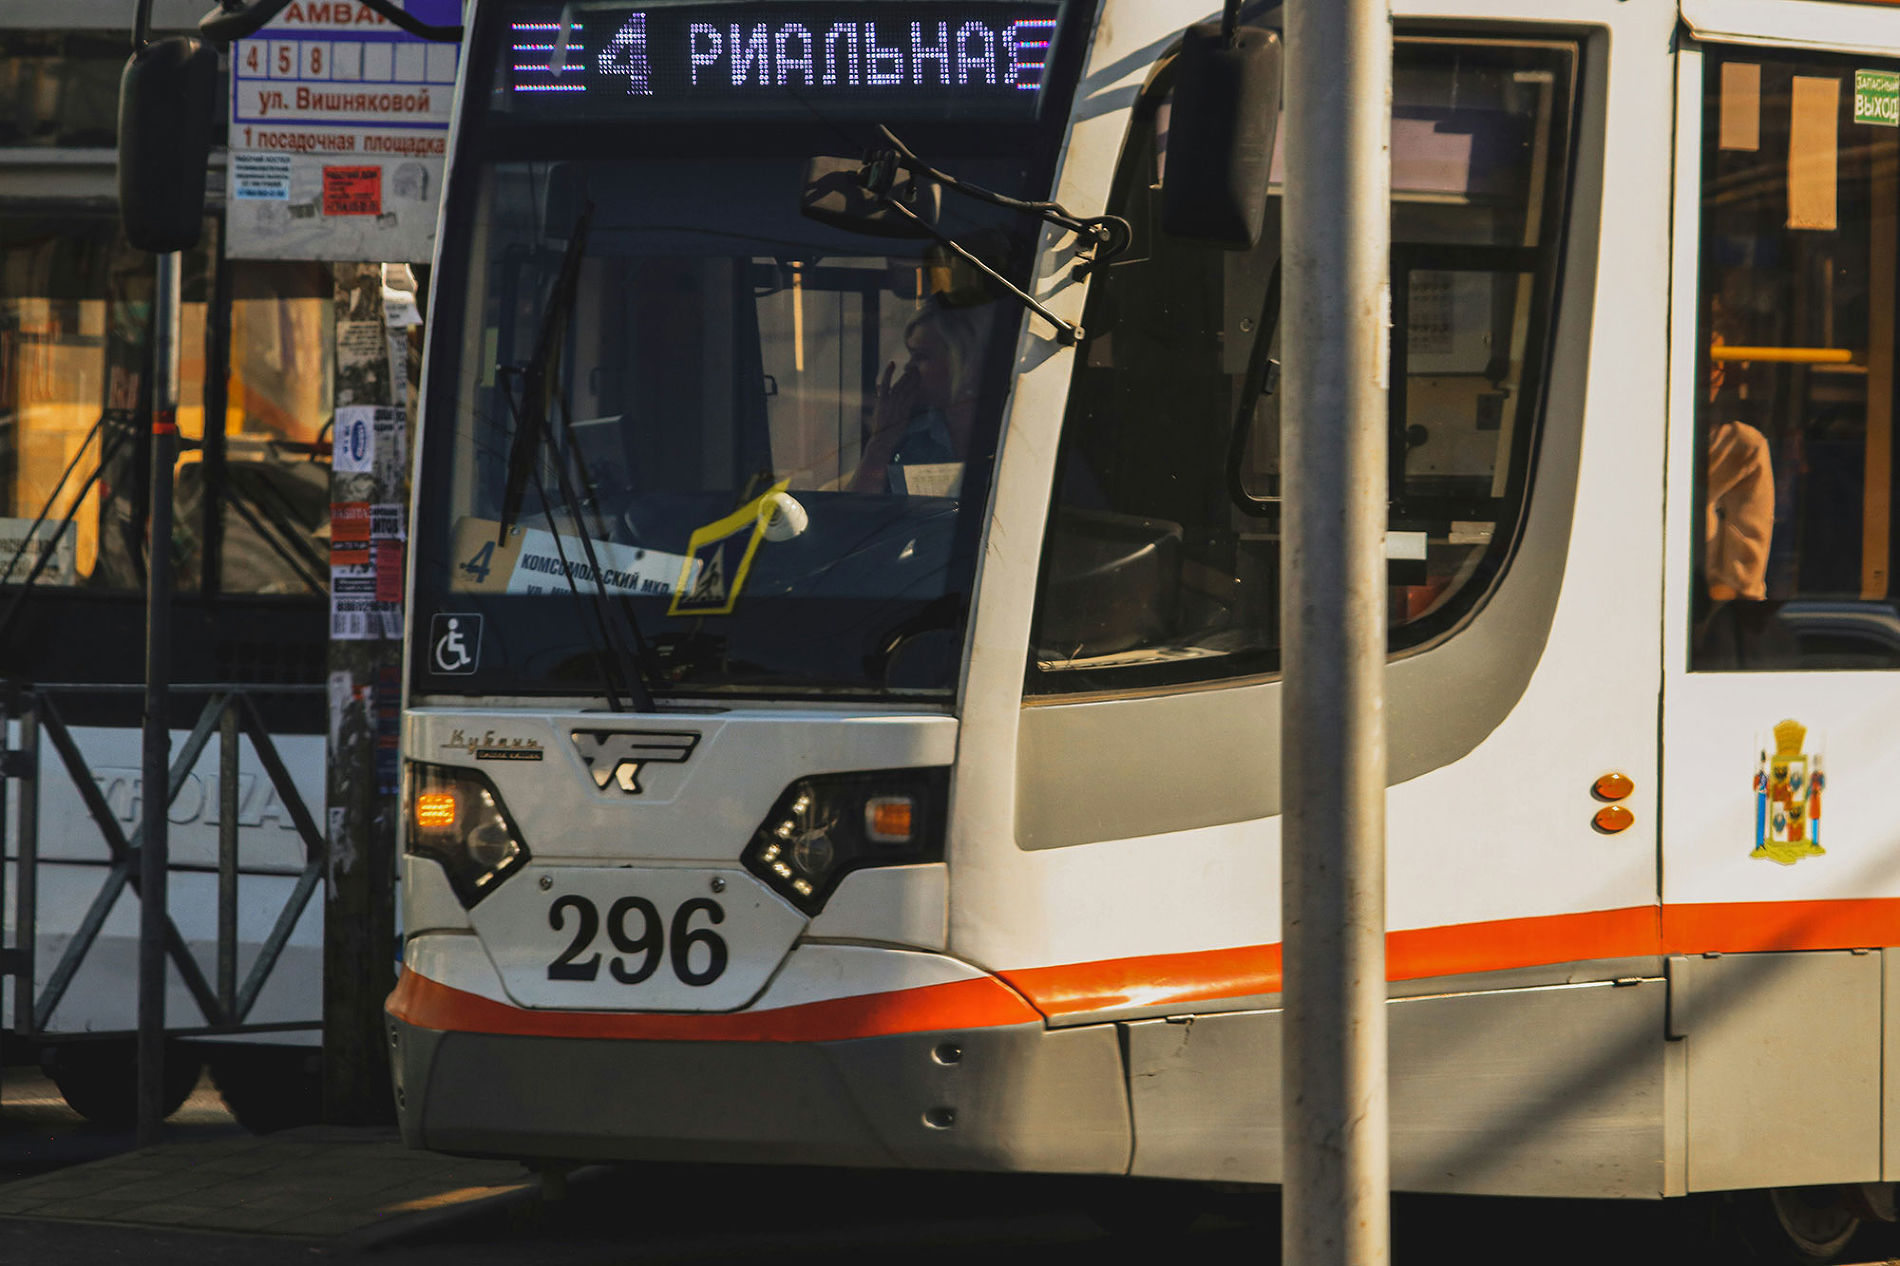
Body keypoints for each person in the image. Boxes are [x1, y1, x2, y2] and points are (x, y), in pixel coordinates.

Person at [848, 302, 989, 494]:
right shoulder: (908, 435)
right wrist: (881, 441)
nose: (909, 368)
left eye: (921, 357)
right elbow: (857, 506)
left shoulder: (1006, 426)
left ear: (963, 362)